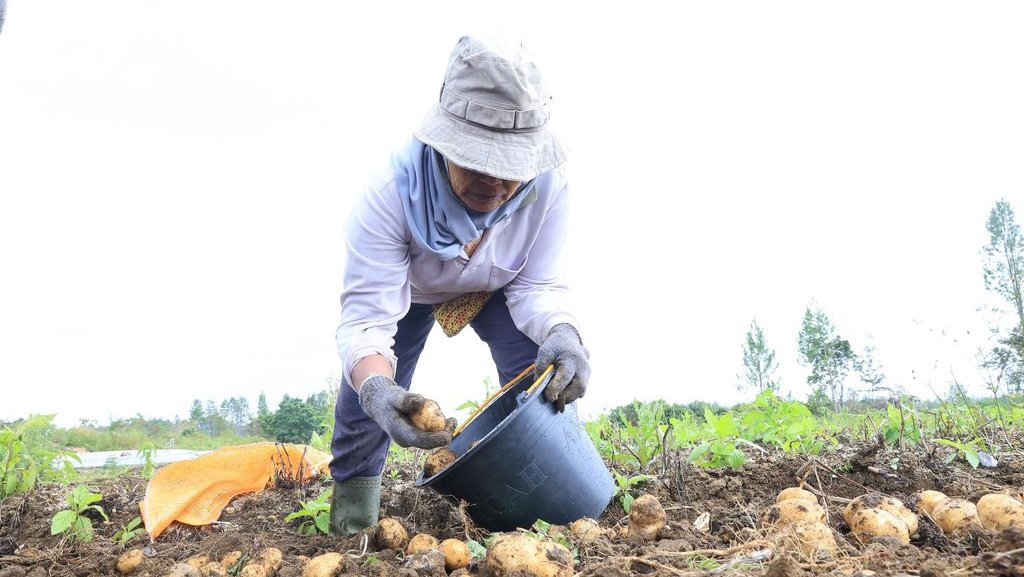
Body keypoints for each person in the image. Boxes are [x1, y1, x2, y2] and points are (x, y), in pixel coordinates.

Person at [329, 34, 590, 536]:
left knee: (541, 384)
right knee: (372, 400)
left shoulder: (549, 190)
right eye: (477, 162)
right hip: (411, 291)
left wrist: (563, 333)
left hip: (501, 288)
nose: (494, 183)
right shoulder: (390, 196)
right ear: (444, 143)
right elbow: (368, 319)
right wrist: (379, 388)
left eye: (510, 168)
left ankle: (563, 509)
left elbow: (539, 288)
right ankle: (353, 523)